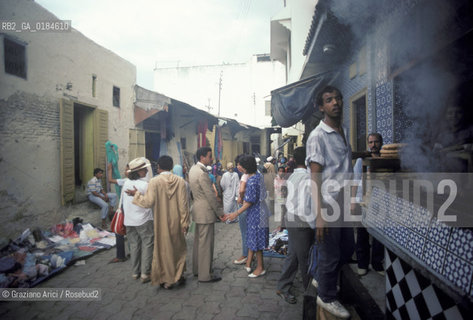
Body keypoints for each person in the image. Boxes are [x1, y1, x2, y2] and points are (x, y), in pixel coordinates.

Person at [306, 85, 355, 318]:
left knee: (347, 249)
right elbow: (314, 176)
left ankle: (318, 275)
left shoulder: (343, 130)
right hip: (328, 202)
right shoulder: (318, 136)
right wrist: (320, 214)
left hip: (343, 200)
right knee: (330, 253)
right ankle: (326, 297)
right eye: (328, 100)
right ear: (321, 106)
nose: (335, 102)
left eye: (337, 98)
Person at [129, 156, 190, 289]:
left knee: (163, 250)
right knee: (178, 249)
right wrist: (185, 223)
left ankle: (166, 279)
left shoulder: (154, 181)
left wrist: (136, 194)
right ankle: (178, 275)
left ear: (158, 167)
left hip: (161, 222)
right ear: (172, 166)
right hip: (177, 221)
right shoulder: (180, 181)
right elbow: (183, 205)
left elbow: (148, 202)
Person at [276, 147, 315, 304]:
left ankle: (283, 286)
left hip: (292, 218)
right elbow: (307, 205)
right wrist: (313, 225)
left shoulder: (292, 176)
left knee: (293, 254)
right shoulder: (306, 177)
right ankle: (310, 293)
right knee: (305, 258)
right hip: (301, 221)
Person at [224, 155, 270, 278]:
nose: (239, 168)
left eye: (241, 166)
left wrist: (235, 213)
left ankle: (260, 267)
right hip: (260, 211)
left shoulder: (252, 180)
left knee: (257, 240)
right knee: (254, 238)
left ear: (246, 167)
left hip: (256, 213)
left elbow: (249, 202)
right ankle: (249, 263)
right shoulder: (257, 175)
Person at [188, 146, 224, 282]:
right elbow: (210, 195)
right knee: (205, 245)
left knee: (199, 243)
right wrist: (220, 212)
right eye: (210, 156)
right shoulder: (202, 173)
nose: (212, 159)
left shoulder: (193, 169)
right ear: (202, 157)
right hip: (205, 211)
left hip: (197, 209)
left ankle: (198, 270)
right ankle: (205, 275)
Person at [354, 133, 385, 276]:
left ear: (381, 143)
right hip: (363, 201)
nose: (373, 145)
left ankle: (377, 264)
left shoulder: (385, 159)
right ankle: (362, 264)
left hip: (380, 202)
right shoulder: (361, 161)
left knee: (379, 235)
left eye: (376, 142)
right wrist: (353, 201)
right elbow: (355, 181)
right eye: (371, 142)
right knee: (362, 234)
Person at [122, 158, 154, 283]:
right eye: (144, 169)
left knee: (134, 246)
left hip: (129, 220)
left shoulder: (126, 183)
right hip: (143, 220)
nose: (146, 170)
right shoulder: (145, 185)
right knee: (147, 244)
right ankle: (145, 273)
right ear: (139, 171)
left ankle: (135, 272)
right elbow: (151, 202)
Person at [107, 162, 129, 263]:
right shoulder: (140, 182)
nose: (124, 171)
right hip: (130, 211)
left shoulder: (126, 182)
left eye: (126, 169)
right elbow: (110, 180)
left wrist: (110, 169)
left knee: (119, 232)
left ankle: (120, 256)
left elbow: (110, 180)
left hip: (125, 210)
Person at [233, 154, 249, 265]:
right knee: (250, 232)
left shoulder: (245, 176)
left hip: (244, 205)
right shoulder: (255, 174)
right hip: (252, 206)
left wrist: (240, 198)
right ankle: (250, 255)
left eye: (239, 164)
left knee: (244, 232)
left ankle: (245, 255)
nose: (238, 166)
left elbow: (242, 190)